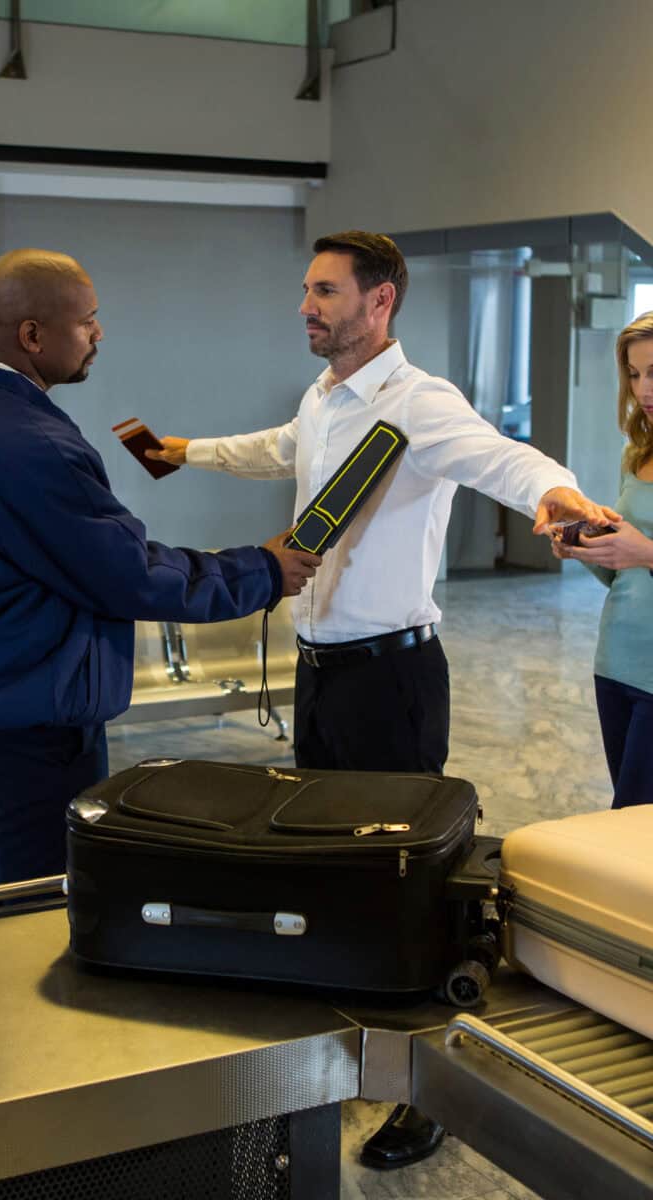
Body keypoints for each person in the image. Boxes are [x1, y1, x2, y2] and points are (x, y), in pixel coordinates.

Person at [146, 230, 619, 1170]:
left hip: (391, 677)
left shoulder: (421, 404)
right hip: (323, 670)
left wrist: (561, 496)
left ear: (381, 301)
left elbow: (506, 458)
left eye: (324, 292)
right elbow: (277, 448)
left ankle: (424, 1080)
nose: (306, 308)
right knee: (327, 859)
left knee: (404, 877)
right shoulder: (323, 399)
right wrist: (181, 450)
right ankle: (338, 1036)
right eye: (307, 292)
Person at [0, 249, 321, 891]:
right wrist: (263, 571)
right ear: (32, 335)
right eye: (87, 321)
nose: (99, 334)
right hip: (31, 719)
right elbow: (130, 574)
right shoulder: (31, 446)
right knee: (41, 903)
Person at [551, 309, 653, 809]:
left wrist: (647, 551)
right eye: (634, 375)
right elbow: (623, 574)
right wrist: (587, 546)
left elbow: (644, 555)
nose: (643, 390)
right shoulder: (635, 453)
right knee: (628, 822)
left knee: (632, 825)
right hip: (615, 662)